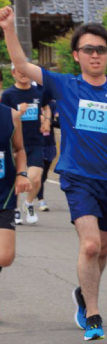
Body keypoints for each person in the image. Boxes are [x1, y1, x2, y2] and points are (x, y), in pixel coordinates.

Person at [0, 6, 107, 341]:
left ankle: (82, 293)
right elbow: (23, 65)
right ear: (76, 55)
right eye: (88, 49)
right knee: (89, 246)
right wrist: (9, 29)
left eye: (101, 49)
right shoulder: (65, 85)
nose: (95, 55)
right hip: (77, 177)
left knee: (101, 250)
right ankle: (93, 312)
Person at [1, 64, 52, 224]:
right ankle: (14, 209)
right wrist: (19, 112)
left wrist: (47, 120)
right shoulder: (9, 94)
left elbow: (46, 107)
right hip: (14, 144)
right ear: (13, 73)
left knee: (35, 178)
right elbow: (5, 115)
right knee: (13, 178)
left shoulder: (38, 91)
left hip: (35, 142)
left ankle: (28, 203)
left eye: (25, 70)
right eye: (19, 71)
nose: (23, 74)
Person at [0, 98, 31, 281]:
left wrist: (22, 173)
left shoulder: (11, 115)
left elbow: (19, 149)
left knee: (5, 256)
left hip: (4, 192)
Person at [37, 98, 59, 211]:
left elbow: (60, 123)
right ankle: (41, 200)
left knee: (44, 175)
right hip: (35, 143)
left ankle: (36, 189)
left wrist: (49, 121)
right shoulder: (32, 102)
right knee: (38, 174)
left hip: (49, 143)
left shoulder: (53, 104)